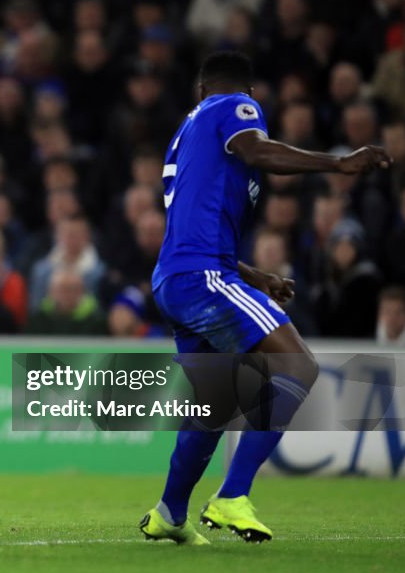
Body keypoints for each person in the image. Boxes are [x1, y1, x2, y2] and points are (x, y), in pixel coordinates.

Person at [139, 51, 390, 545]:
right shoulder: (233, 107)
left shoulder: (183, 135)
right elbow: (258, 152)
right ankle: (232, 496)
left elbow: (193, 222)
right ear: (247, 93)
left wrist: (252, 275)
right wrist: (339, 163)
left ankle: (170, 511)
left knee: (211, 406)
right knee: (298, 367)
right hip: (204, 275)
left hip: (177, 278)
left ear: (198, 87)